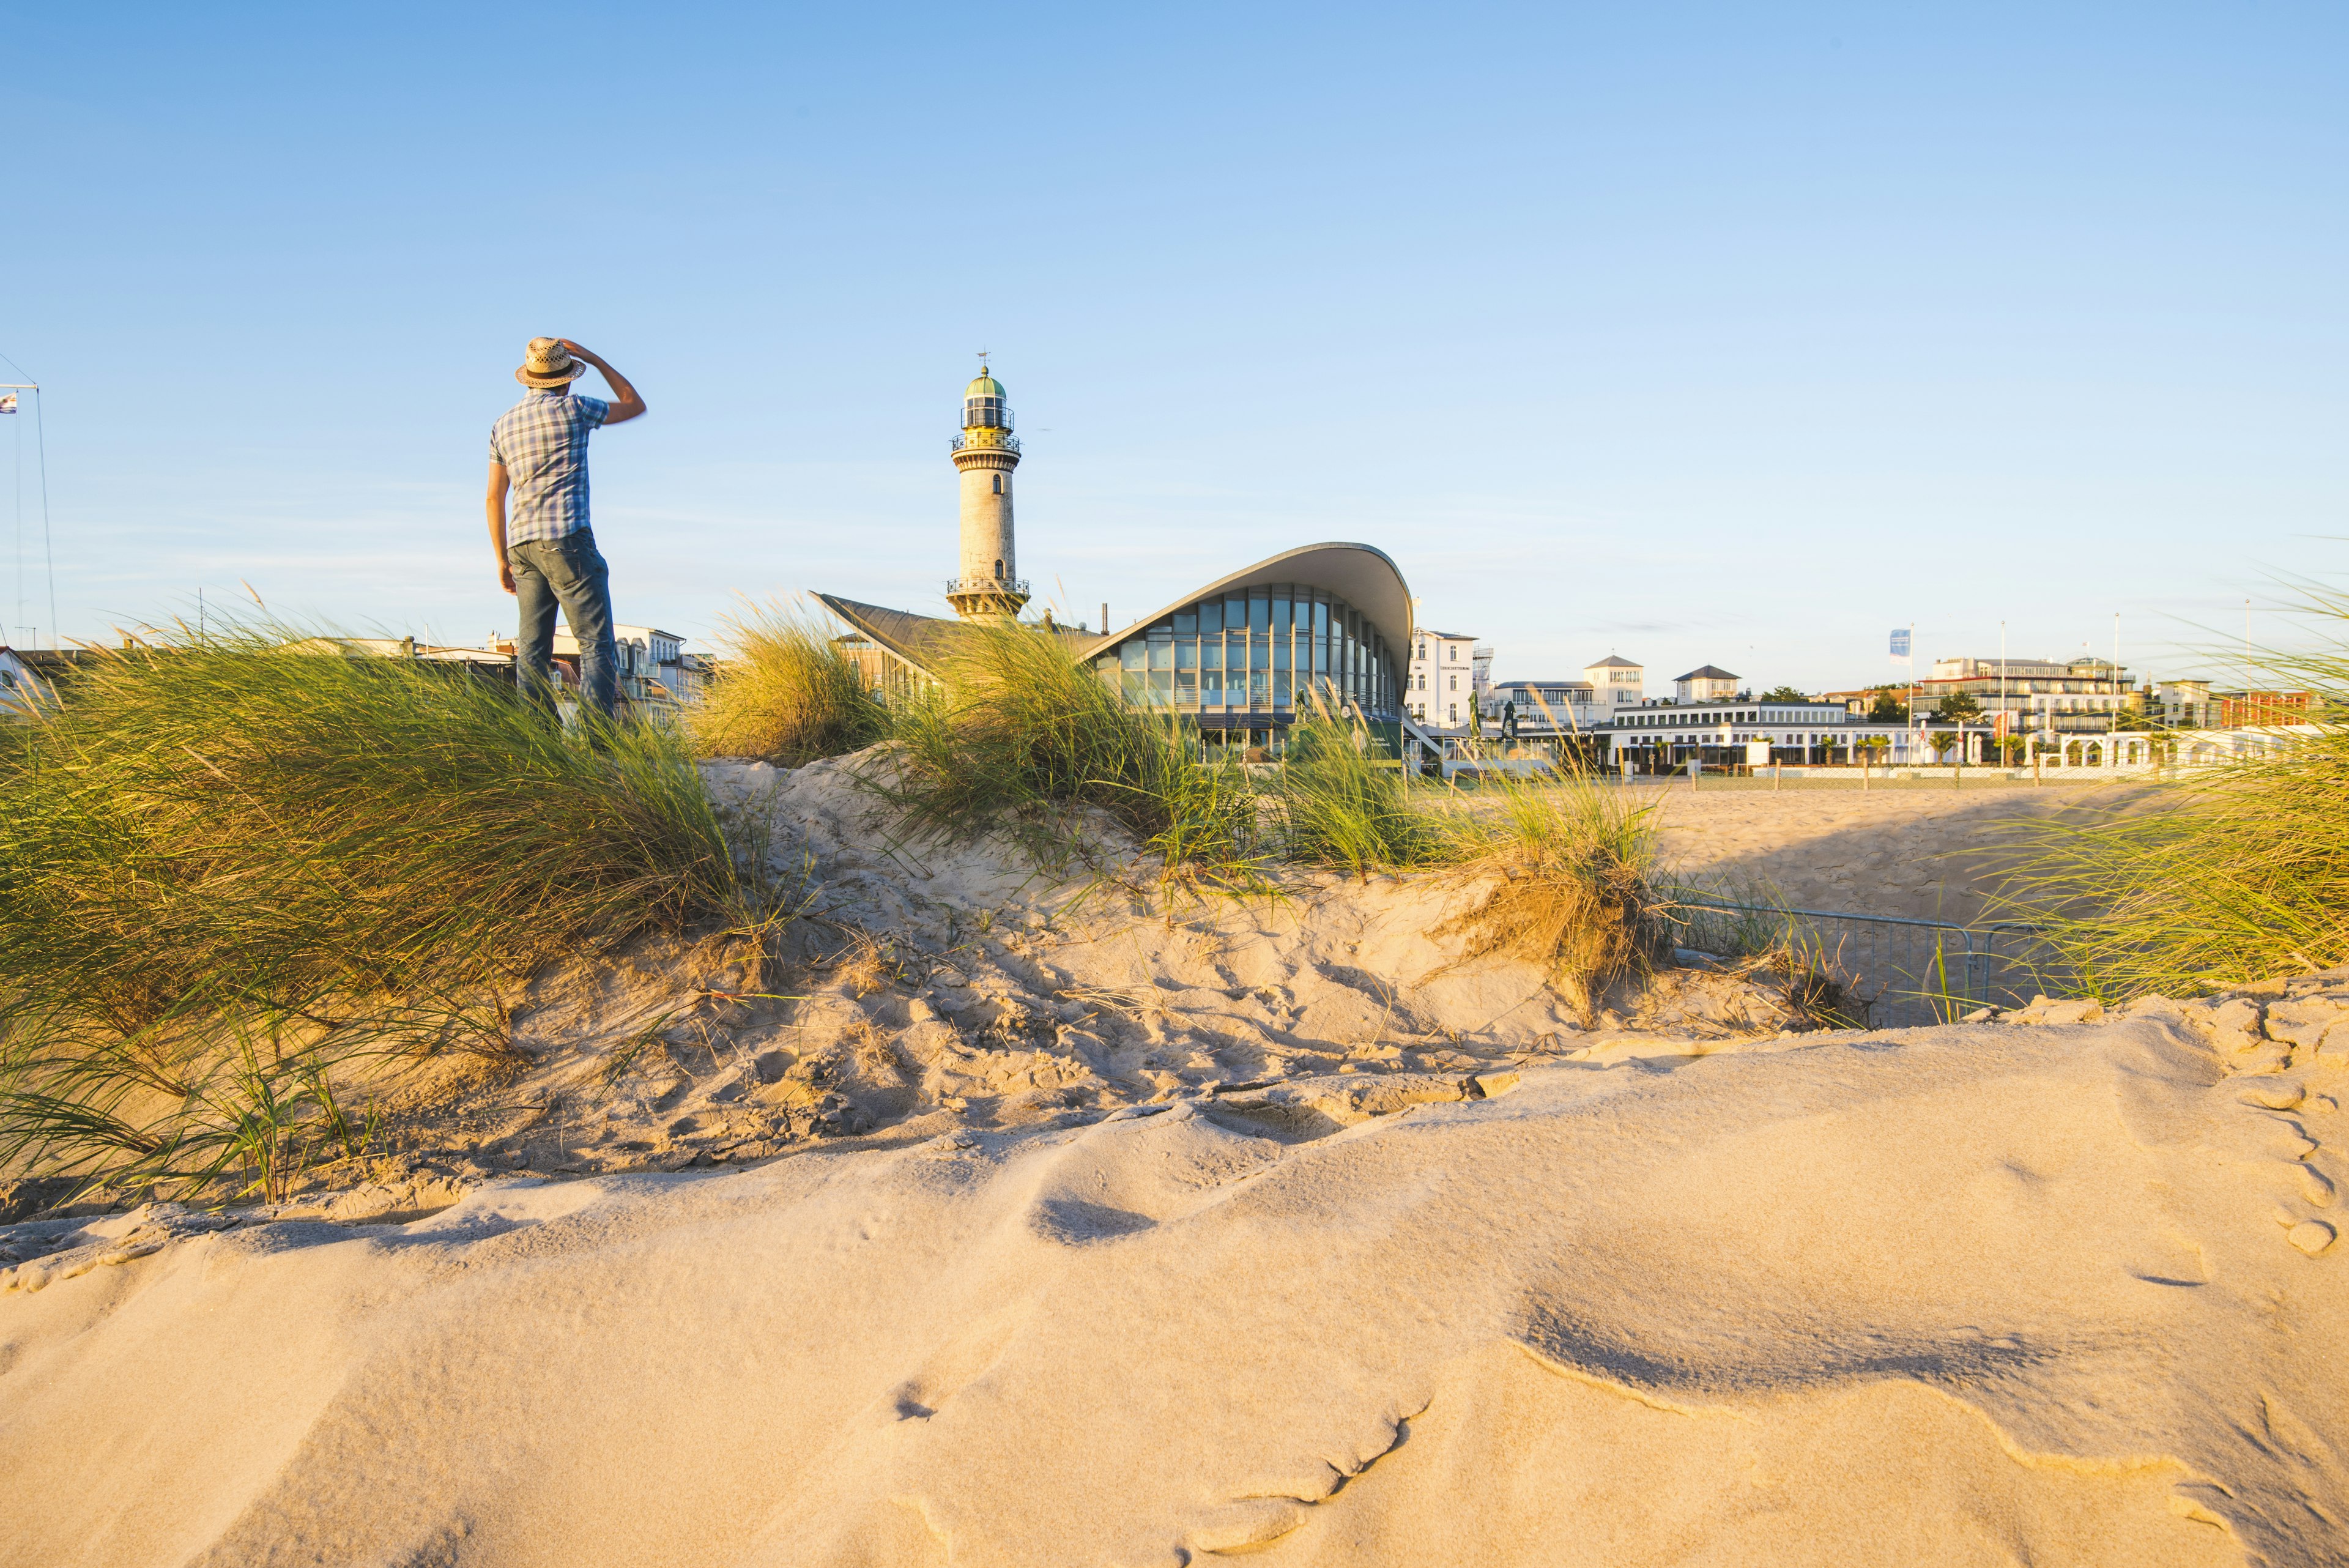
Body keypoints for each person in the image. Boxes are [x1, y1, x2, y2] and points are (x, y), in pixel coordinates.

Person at [486, 337, 646, 717]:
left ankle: (542, 744)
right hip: (566, 538)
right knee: (595, 644)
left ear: (529, 379)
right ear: (568, 378)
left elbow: (494, 497)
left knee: (532, 649)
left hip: (521, 546)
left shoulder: (503, 425)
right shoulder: (574, 408)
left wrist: (501, 560)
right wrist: (592, 357)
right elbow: (634, 405)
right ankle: (597, 743)